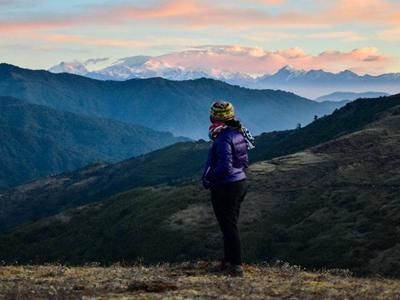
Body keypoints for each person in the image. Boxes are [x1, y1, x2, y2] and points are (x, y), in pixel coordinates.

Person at [202, 100, 255, 277]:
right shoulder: (238, 132)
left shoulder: (223, 137)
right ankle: (229, 260)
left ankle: (236, 265)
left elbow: (225, 166)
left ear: (213, 117)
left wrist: (210, 178)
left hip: (226, 186)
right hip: (239, 183)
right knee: (229, 225)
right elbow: (243, 161)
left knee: (229, 227)